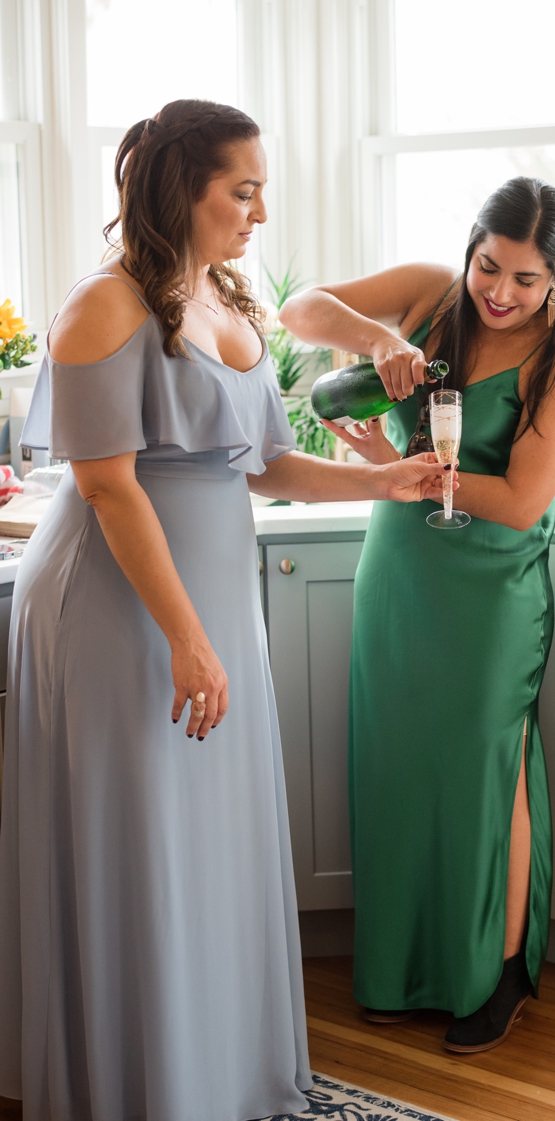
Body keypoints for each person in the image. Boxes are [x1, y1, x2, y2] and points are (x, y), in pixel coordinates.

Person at [0, 100, 448, 1119]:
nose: (256, 212)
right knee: (142, 841)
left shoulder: (228, 304)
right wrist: (187, 638)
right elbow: (109, 485)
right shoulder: (103, 307)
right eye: (239, 190)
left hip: (207, 603)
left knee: (207, 841)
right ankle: (133, 1086)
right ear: (178, 188)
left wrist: (387, 482)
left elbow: (266, 466)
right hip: (119, 610)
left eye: (260, 191)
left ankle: (206, 1074)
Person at [279, 178, 555, 1053]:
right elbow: (302, 311)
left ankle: (493, 975)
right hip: (404, 568)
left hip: (492, 591)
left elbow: (526, 500)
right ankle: (396, 970)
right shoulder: (429, 295)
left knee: (486, 768)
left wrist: (405, 470)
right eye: (490, 265)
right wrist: (378, 339)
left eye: (526, 279)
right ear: (471, 247)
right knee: (397, 762)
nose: (500, 292)